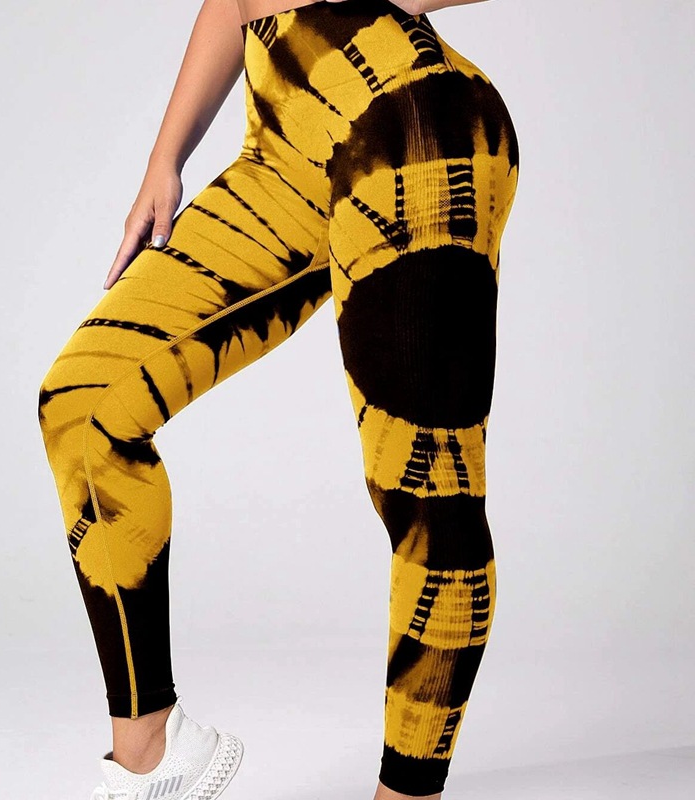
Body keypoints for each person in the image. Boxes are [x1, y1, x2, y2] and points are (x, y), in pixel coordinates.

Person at [37, 0, 519, 798]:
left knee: (426, 490)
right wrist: (165, 156)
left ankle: (407, 791)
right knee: (85, 402)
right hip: (281, 137)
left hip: (405, 119)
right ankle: (151, 751)